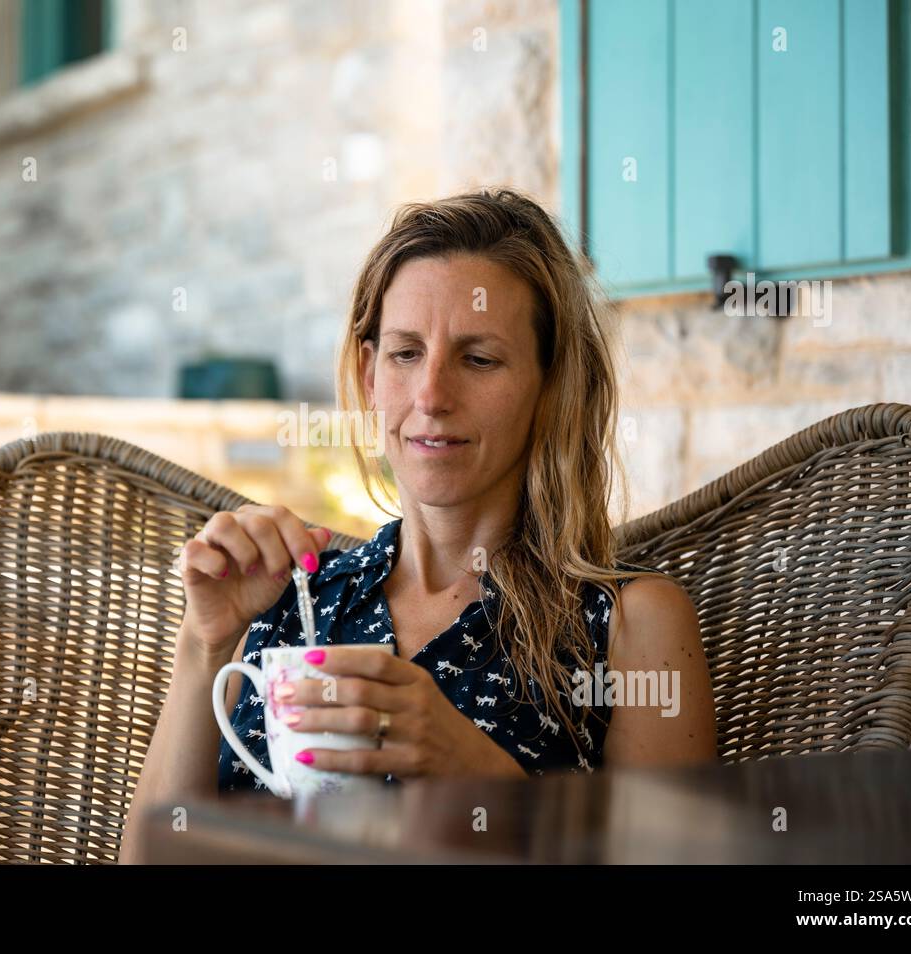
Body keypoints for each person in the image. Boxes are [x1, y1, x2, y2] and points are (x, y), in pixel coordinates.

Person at [120, 188, 718, 862]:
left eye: (479, 358)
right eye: (406, 354)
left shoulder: (625, 624)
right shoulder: (294, 598)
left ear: (552, 387)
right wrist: (203, 648)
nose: (431, 396)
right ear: (371, 375)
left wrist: (479, 772)